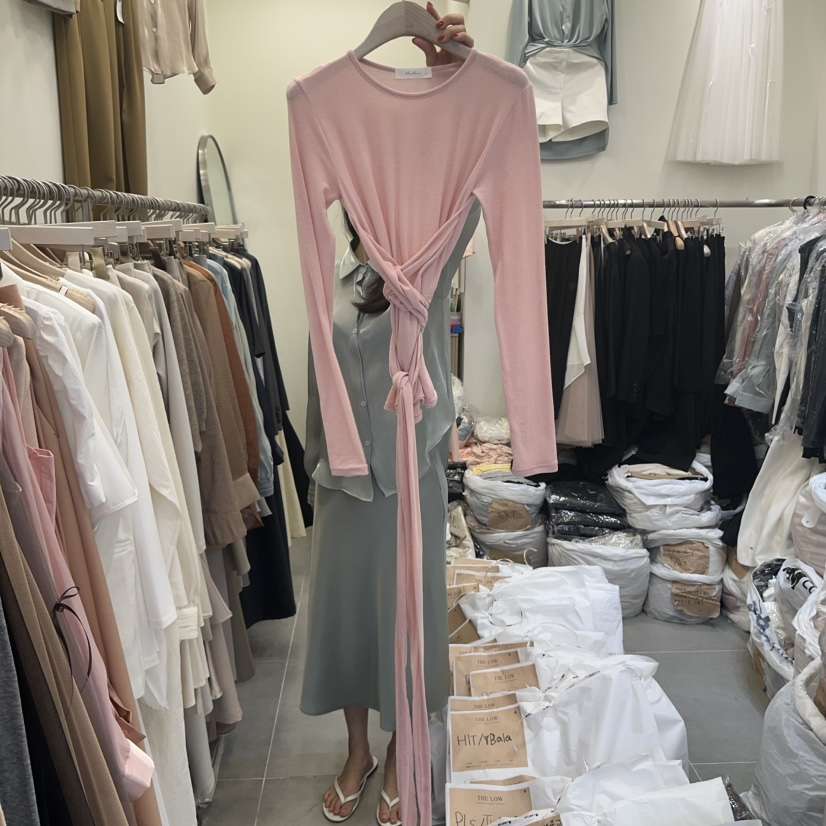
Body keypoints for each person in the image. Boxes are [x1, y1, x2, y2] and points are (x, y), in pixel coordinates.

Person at [300, 7, 475, 824]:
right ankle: (358, 749)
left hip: (412, 482)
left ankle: (406, 747)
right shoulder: (332, 283)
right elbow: (319, 377)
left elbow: (472, 191)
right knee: (347, 623)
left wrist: (450, 78)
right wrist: (316, 464)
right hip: (344, 484)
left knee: (407, 621)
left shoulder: (430, 270)